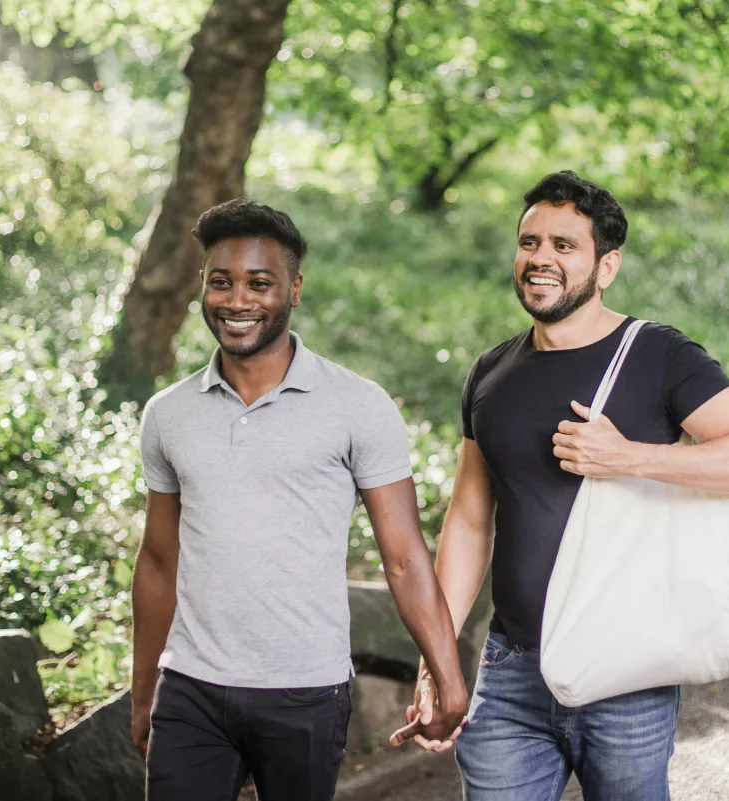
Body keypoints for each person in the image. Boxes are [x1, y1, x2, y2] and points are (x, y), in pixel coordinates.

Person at [396, 171, 729, 800]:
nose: (540, 259)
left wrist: (629, 456)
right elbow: (470, 521)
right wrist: (438, 654)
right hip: (510, 671)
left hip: (625, 673)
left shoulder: (657, 354)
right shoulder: (490, 372)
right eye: (530, 243)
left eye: (563, 245)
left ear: (606, 266)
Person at [131, 199, 468, 801]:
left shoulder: (358, 406)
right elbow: (158, 560)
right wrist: (144, 691)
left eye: (260, 284)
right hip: (190, 689)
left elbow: (405, 556)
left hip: (305, 692)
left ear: (294, 289)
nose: (238, 301)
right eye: (221, 282)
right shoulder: (168, 415)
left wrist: (447, 677)